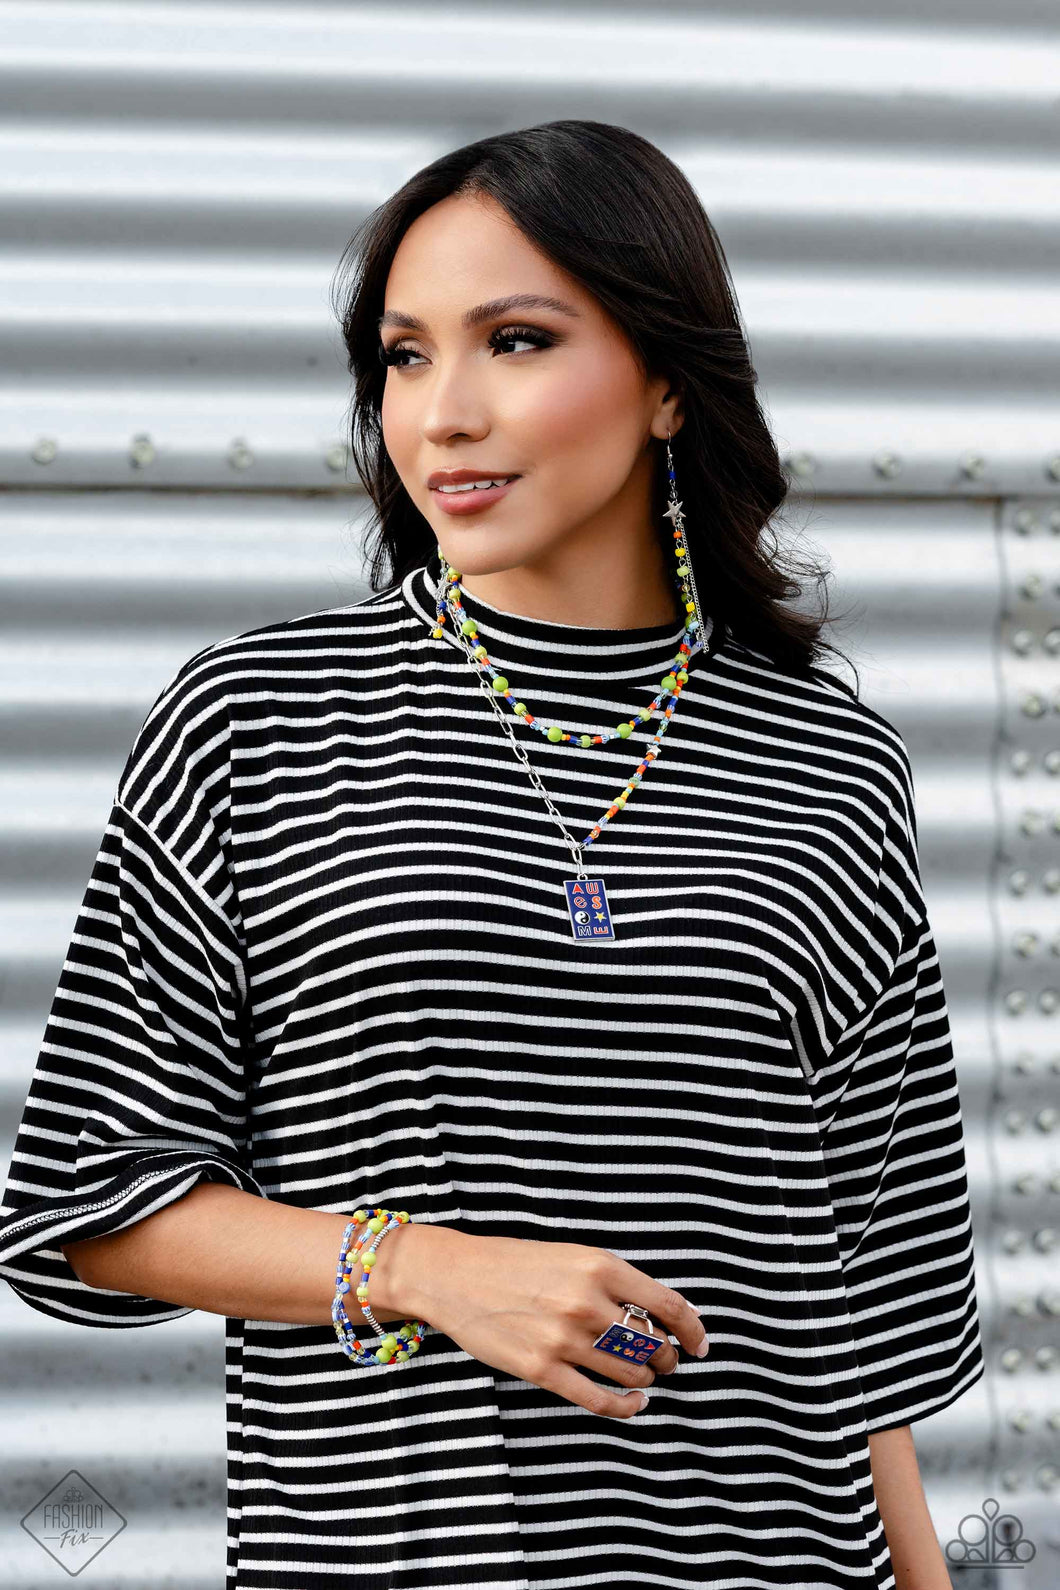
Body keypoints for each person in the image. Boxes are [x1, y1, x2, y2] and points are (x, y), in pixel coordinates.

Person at [0, 119, 983, 1590]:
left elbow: (865, 1301)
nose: (444, 414)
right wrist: (427, 1269)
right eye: (404, 357)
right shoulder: (260, 721)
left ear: (668, 382)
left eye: (515, 341)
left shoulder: (829, 764)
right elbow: (93, 1200)